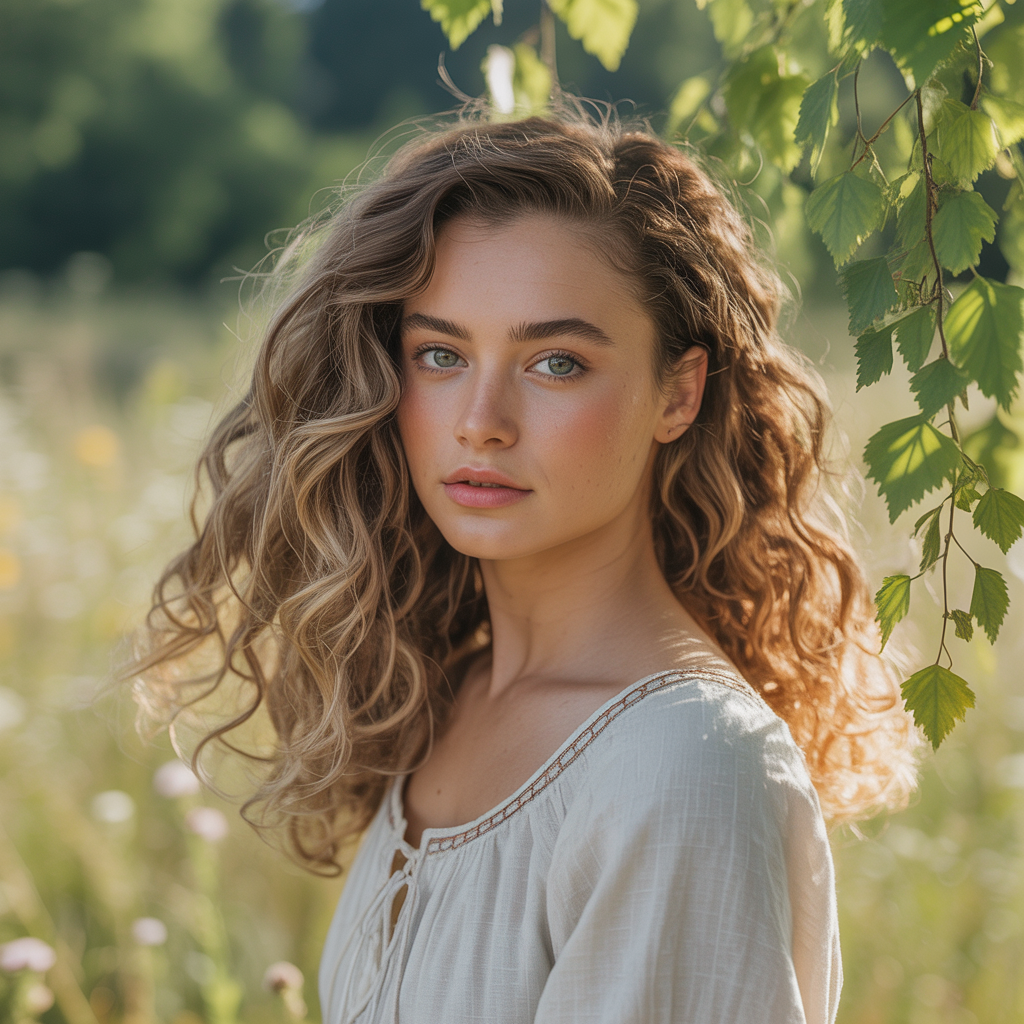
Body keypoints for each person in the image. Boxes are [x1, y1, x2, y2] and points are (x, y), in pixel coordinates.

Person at [126, 105, 920, 1023]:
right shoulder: (446, 698)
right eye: (440, 354)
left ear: (678, 392)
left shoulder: (681, 766)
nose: (481, 420)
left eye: (556, 363)